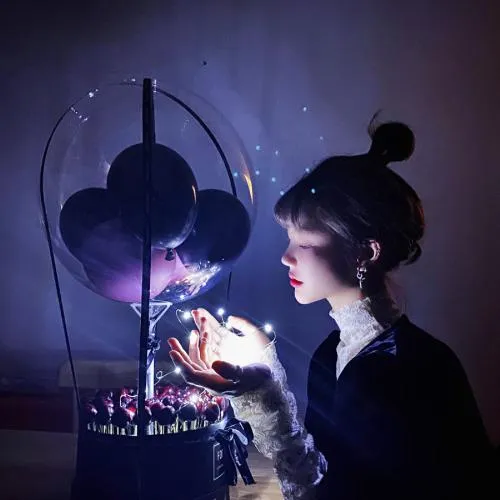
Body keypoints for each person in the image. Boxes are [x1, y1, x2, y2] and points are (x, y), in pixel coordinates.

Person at [168, 120, 496, 499]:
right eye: (289, 239)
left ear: (365, 252)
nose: (286, 257)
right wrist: (263, 381)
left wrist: (267, 403)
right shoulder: (332, 353)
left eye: (305, 243)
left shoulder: (401, 369)